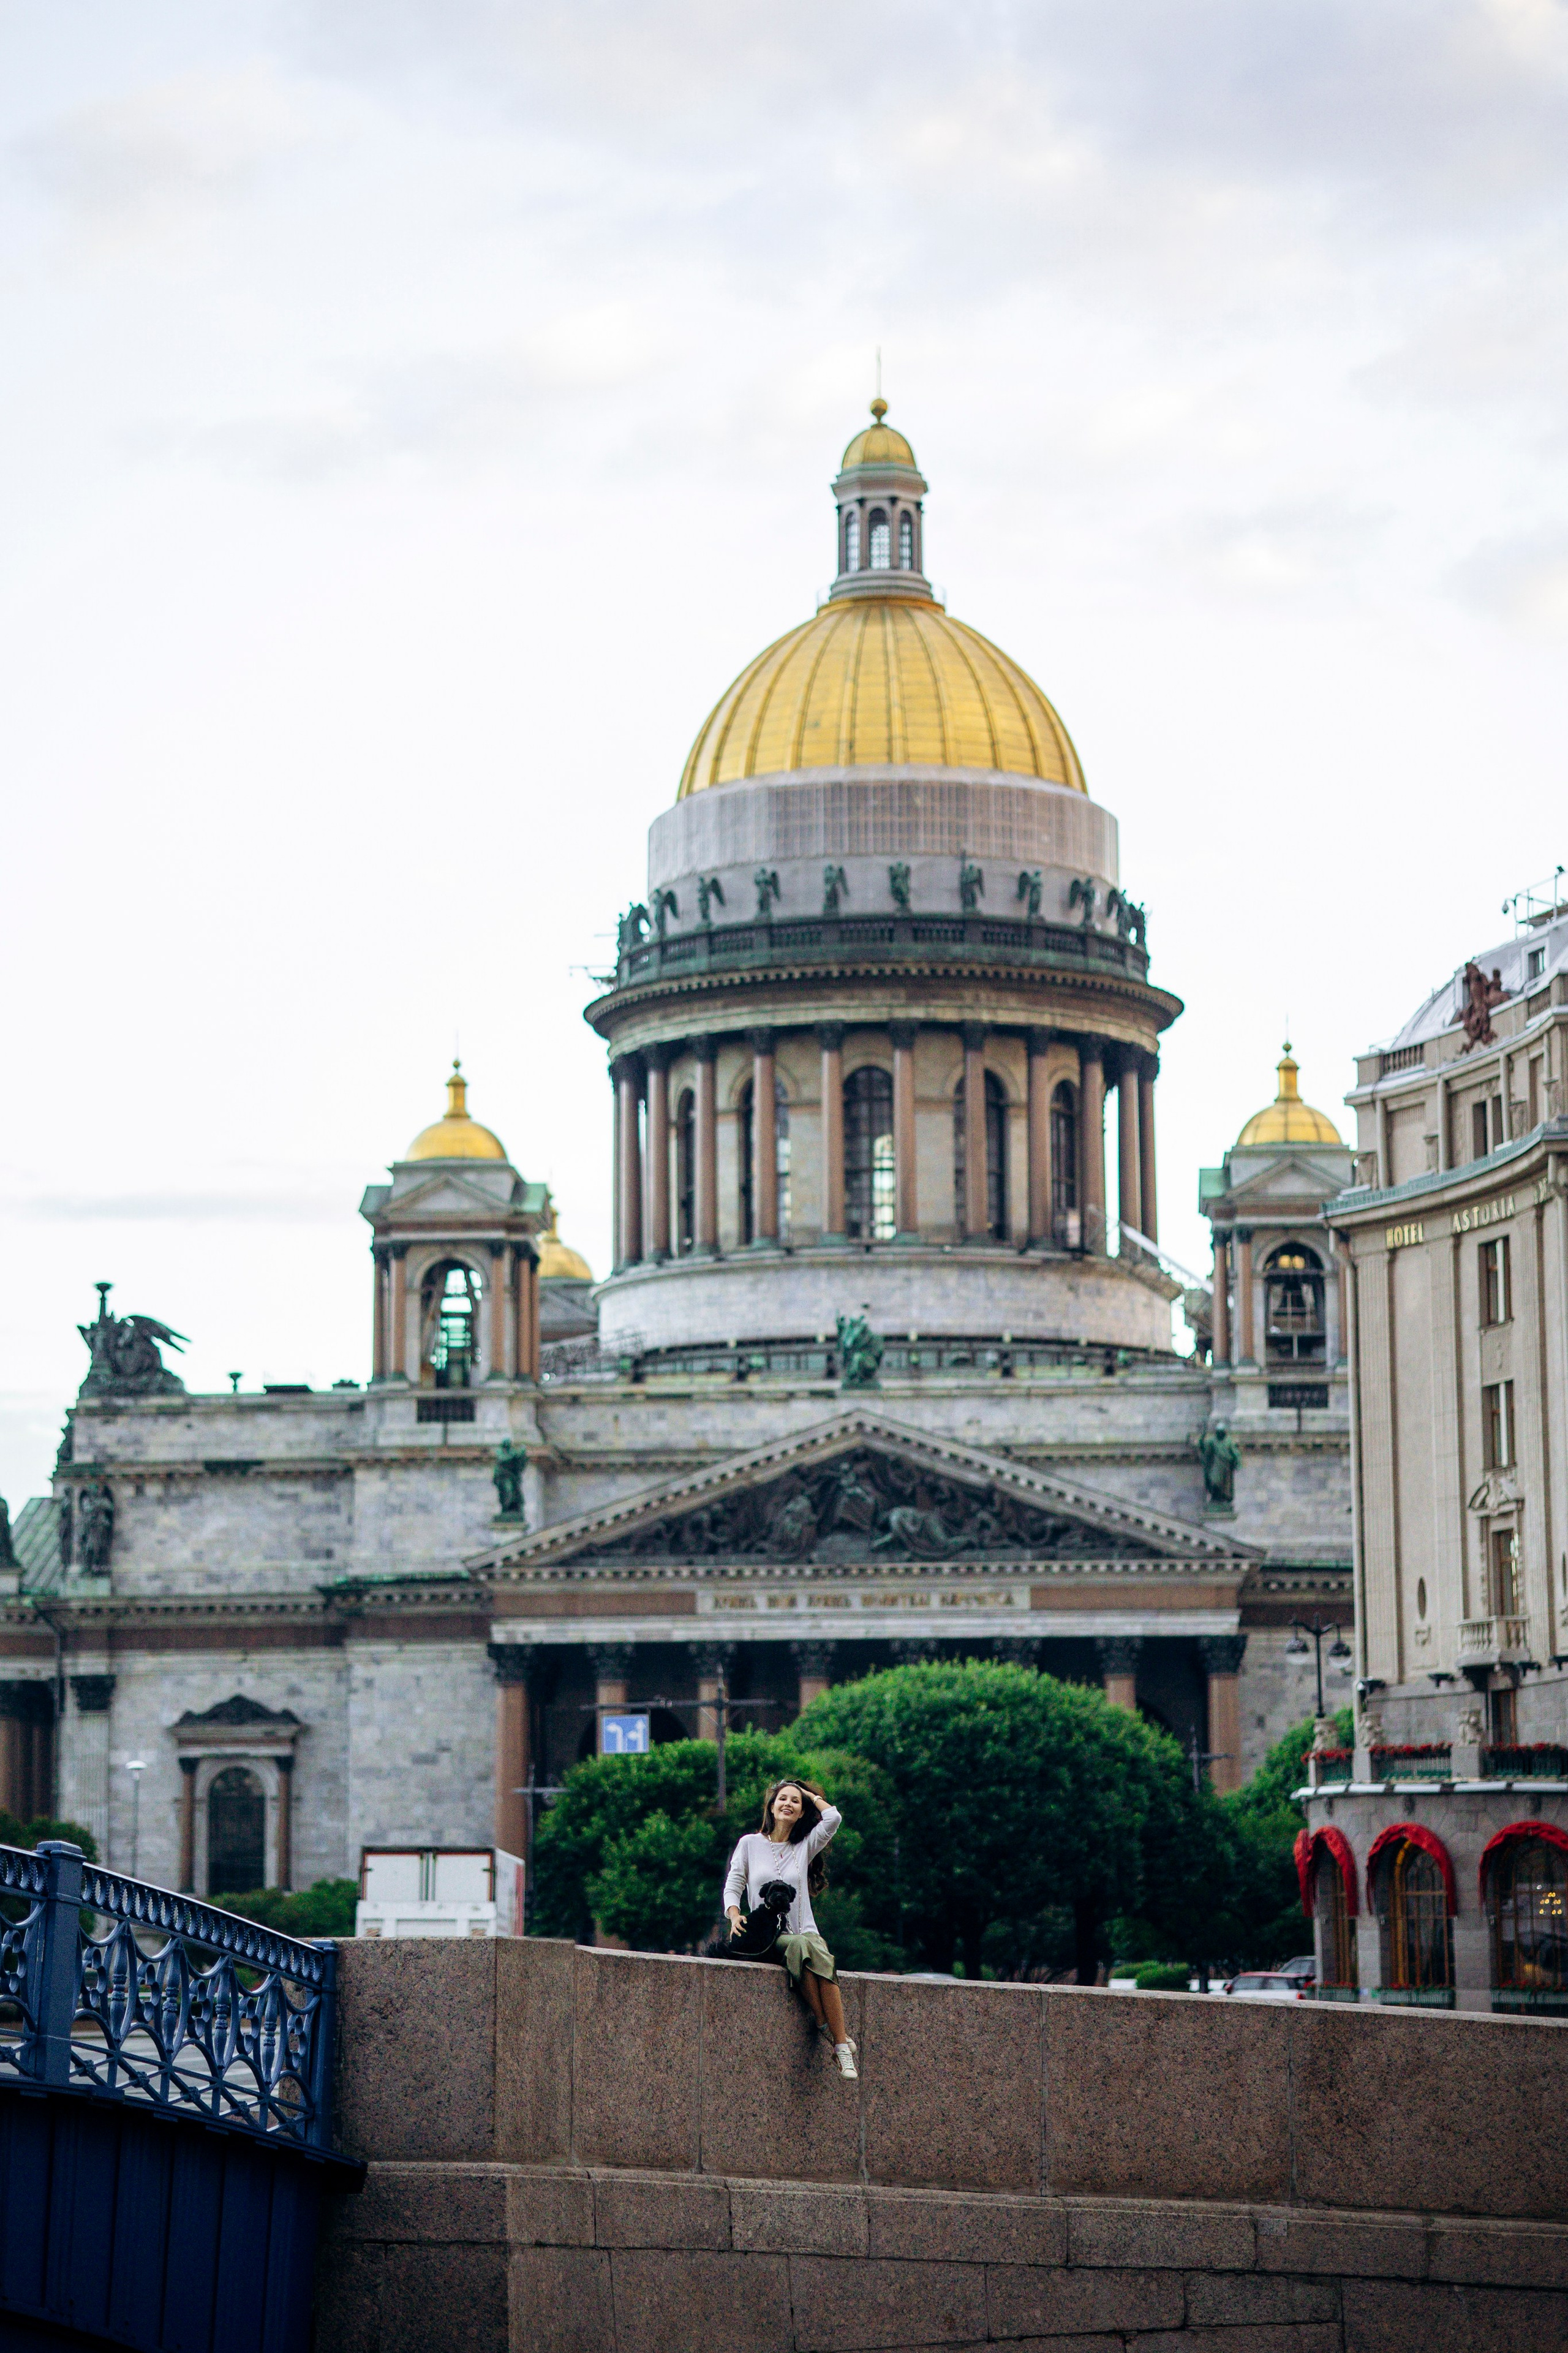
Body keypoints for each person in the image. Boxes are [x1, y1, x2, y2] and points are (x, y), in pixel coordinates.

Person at [723, 1778, 858, 2078]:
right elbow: (734, 1885)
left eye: (795, 1802)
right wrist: (734, 1916)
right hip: (770, 1936)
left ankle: (833, 2037)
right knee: (801, 1946)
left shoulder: (804, 1846)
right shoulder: (750, 1844)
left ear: (801, 1813)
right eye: (782, 1799)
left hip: (804, 1931)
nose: (788, 1804)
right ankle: (839, 2042)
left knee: (812, 1947)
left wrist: (808, 1794)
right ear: (772, 1807)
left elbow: (833, 1818)